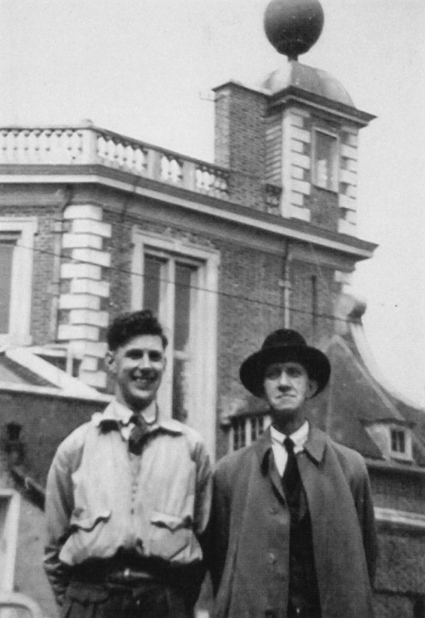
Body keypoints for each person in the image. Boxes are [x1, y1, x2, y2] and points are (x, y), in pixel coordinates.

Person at [44, 310, 212, 618]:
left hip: (164, 602)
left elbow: (204, 543)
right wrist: (80, 605)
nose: (146, 366)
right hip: (91, 602)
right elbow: (54, 550)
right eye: (134, 355)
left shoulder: (191, 449)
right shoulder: (76, 447)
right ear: (111, 362)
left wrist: (172, 602)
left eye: (155, 357)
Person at [207, 328, 377, 618]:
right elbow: (221, 562)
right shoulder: (230, 473)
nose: (284, 383)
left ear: (310, 387)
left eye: (294, 373)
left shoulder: (351, 468)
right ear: (262, 389)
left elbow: (365, 560)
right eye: (273, 374)